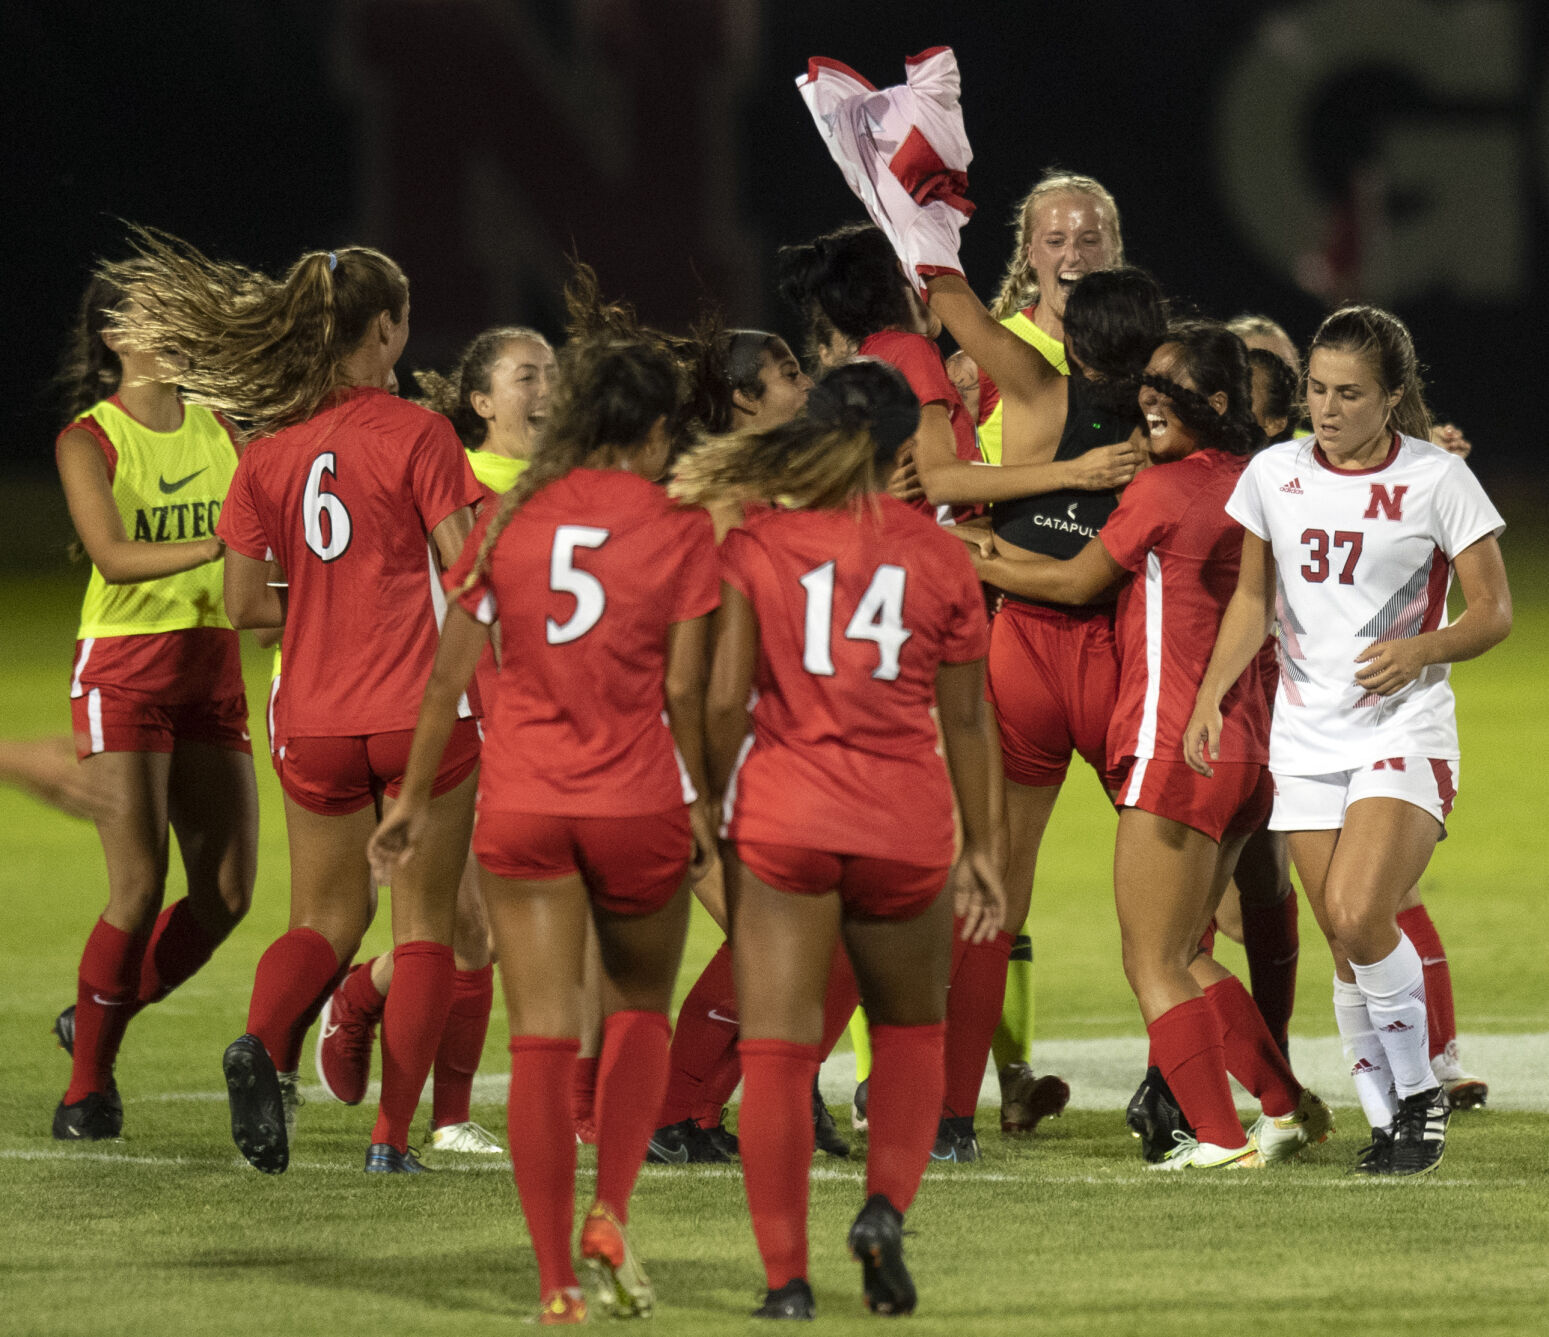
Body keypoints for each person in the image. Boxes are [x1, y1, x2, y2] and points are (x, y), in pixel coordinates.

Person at [369, 273, 719, 1325]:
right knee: (637, 1013)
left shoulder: (508, 519)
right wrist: (705, 808)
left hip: (521, 799)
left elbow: (447, 671)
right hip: (634, 798)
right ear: (651, 426)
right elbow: (689, 689)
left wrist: (413, 799)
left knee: (540, 1036)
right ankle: (610, 1209)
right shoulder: (678, 524)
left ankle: (555, 1283)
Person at [106, 228, 484, 1174]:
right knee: (425, 925)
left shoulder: (266, 453)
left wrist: (322, 601)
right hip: (417, 708)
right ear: (388, 330)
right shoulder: (420, 433)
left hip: (311, 714)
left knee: (322, 920)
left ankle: (263, 1043)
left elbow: (243, 607)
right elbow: (466, 570)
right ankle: (392, 1139)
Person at [673, 360, 1006, 1318]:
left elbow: (725, 697)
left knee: (777, 1054)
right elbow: (970, 721)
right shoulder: (942, 557)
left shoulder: (758, 544)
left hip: (784, 816)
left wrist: (720, 806)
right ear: (907, 444)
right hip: (903, 822)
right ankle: (883, 1211)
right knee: (909, 1034)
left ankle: (784, 1281)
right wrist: (983, 848)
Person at [970, 322, 1333, 1168]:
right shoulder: (1266, 481)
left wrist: (978, 556)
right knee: (1182, 951)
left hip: (1175, 740)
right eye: (1147, 384)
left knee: (1149, 957)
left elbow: (1070, 580)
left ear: (1213, 403)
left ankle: (1215, 1134)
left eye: (1167, 388)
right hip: (1246, 747)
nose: (1147, 398)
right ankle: (1282, 1106)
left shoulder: (1167, 490)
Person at [1184, 305, 1511, 1175]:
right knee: (1340, 932)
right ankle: (1384, 1116)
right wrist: (1212, 697)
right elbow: (1251, 601)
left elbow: (1493, 612)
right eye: (1316, 390)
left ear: (1391, 397)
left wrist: (1421, 648)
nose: (1325, 409)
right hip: (1302, 738)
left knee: (1362, 911)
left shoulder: (1438, 479)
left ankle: (1418, 1102)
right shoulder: (1273, 472)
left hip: (1401, 729)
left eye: (1348, 394)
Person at [312, 327, 560, 1157]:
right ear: (481, 401)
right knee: (464, 927)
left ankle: (377, 1009)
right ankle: (428, 1097)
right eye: (526, 374)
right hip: (463, 718)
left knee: (497, 928)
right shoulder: (456, 475)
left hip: (544, 726)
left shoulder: (567, 486)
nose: (546, 386)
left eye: (553, 371)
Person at [48, 272, 259, 1142]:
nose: (172, 326)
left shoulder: (223, 425)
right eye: (149, 316)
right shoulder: (88, 438)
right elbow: (112, 553)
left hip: (210, 666)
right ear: (113, 339)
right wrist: (223, 538)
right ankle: (86, 1088)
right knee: (138, 887)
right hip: (124, 671)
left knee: (228, 894)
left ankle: (96, 1014)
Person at [649, 327, 863, 1166]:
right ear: (742, 398)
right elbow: (688, 645)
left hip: (769, 738)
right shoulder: (718, 497)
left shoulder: (774, 484)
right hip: (704, 737)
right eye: (785, 373)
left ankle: (700, 1113)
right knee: (779, 933)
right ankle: (674, 1111)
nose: (802, 383)